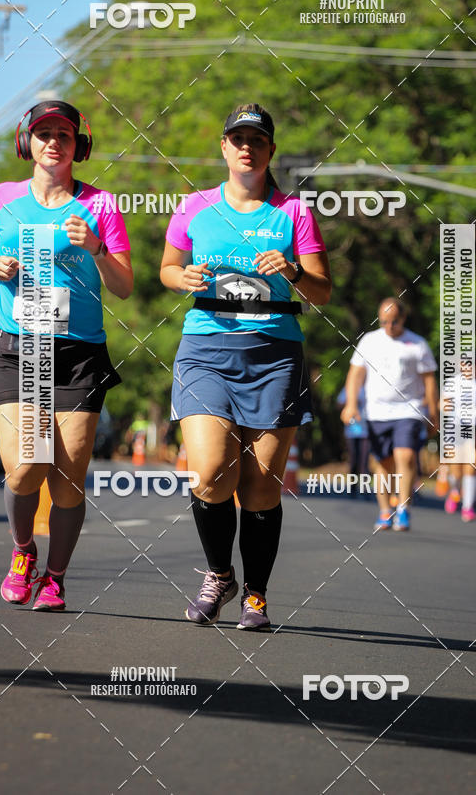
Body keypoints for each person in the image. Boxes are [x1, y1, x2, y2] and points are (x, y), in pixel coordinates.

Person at [160, 103, 331, 630]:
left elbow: (323, 292)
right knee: (209, 471)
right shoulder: (195, 206)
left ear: (270, 150)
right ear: (224, 146)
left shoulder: (293, 212)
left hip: (274, 355)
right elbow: (167, 269)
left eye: (257, 140)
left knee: (260, 484)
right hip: (207, 349)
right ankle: (218, 574)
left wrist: (296, 270)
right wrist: (181, 278)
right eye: (237, 138)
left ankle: (255, 594)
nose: (246, 147)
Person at [0, 100, 133, 610]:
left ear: (77, 146)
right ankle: (23, 551)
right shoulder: (2, 197)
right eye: (43, 133)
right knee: (26, 465)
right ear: (27, 142)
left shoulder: (103, 205)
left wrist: (96, 248)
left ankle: (56, 577)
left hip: (77, 355)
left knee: (67, 476)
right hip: (16, 348)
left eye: (64, 135)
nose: (53, 142)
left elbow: (125, 286)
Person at [342, 298, 438, 531]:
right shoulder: (369, 341)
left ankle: (403, 509)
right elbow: (355, 375)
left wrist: (433, 413)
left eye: (393, 321)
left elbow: (429, 380)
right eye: (383, 321)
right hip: (376, 412)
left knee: (405, 456)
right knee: (382, 464)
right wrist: (351, 404)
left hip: (409, 410)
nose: (388, 326)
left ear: (403, 318)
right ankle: (385, 510)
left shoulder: (417, 344)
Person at [443, 359, 476, 521]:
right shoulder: (453, 383)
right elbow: (444, 404)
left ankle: (468, 506)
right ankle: (455, 490)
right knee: (456, 469)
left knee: (472, 465)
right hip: (456, 427)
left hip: (475, 429)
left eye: (473, 364)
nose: (469, 368)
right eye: (466, 364)